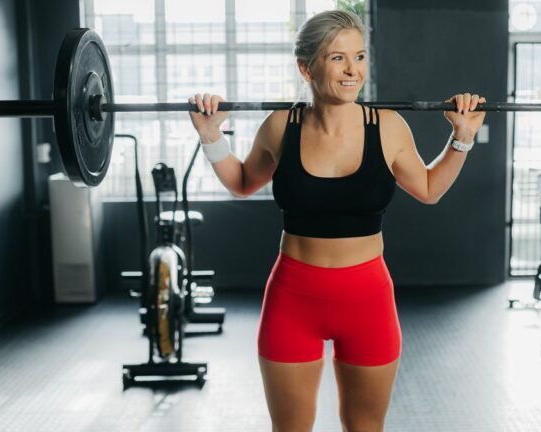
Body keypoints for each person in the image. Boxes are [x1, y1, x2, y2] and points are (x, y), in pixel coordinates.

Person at [188, 9, 486, 432]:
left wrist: (462, 138)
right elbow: (241, 183)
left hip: (368, 300)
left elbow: (428, 189)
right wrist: (211, 136)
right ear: (306, 68)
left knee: (364, 427)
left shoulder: (387, 127)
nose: (353, 71)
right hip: (292, 298)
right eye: (337, 58)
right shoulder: (281, 126)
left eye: (360, 57)